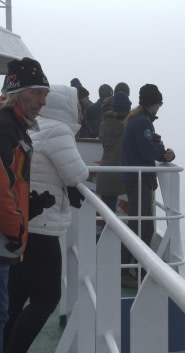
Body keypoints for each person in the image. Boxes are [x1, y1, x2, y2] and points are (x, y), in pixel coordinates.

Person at [3, 85, 88, 353]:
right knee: (47, 299)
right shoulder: (58, 130)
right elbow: (77, 174)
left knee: (16, 298)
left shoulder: (34, 126)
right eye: (78, 109)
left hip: (26, 222)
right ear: (66, 107)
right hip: (44, 226)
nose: (82, 116)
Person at [0, 57, 54, 353]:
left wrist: (30, 207)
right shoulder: (5, 128)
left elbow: (11, 182)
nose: (43, 101)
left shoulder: (17, 128)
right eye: (36, 92)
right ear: (16, 90)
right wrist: (16, 227)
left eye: (45, 94)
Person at [120, 84, 175, 288]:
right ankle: (126, 271)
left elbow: (146, 148)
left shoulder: (137, 120)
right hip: (139, 179)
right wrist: (163, 154)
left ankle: (132, 270)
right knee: (140, 226)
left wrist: (159, 150)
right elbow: (145, 151)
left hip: (137, 178)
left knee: (140, 224)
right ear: (155, 103)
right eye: (159, 103)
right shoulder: (142, 122)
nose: (160, 107)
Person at [96, 91, 131, 212]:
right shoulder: (126, 127)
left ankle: (106, 231)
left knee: (107, 214)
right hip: (120, 174)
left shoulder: (104, 124)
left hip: (105, 173)